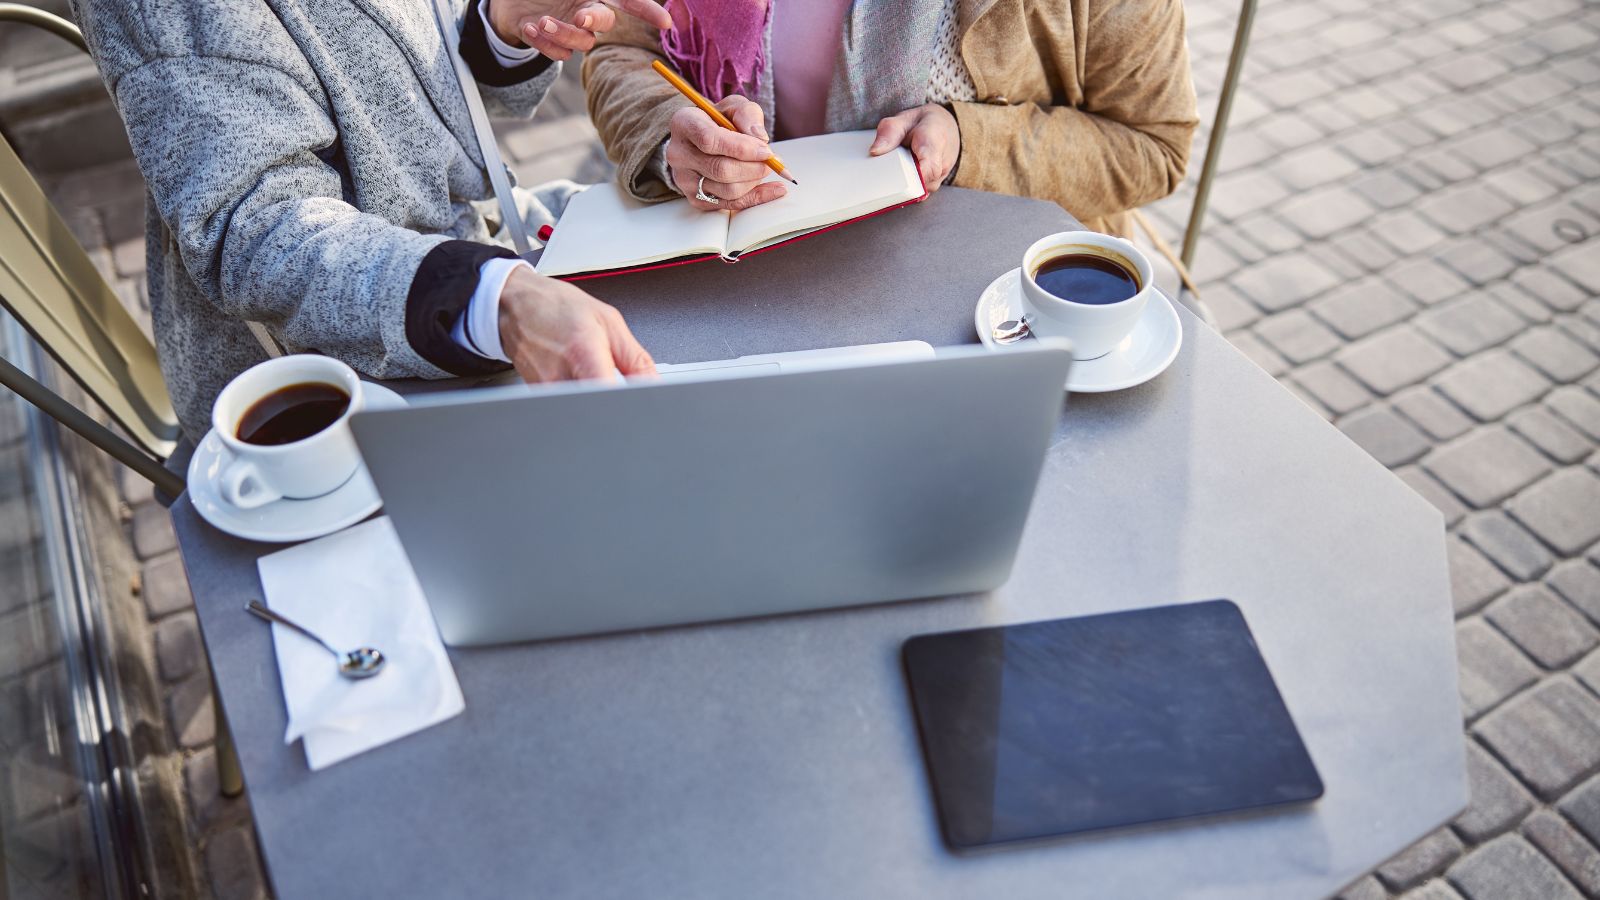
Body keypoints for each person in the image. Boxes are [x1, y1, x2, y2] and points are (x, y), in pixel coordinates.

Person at [72, 0, 673, 439]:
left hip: (472, 257)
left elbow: (405, 68)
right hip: (339, 385)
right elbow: (258, 230)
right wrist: (497, 300)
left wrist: (500, 28)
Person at [582, 0, 1198, 238]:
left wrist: (969, 142)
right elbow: (623, 47)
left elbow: (1151, 146)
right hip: (752, 264)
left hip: (997, 292)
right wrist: (673, 131)